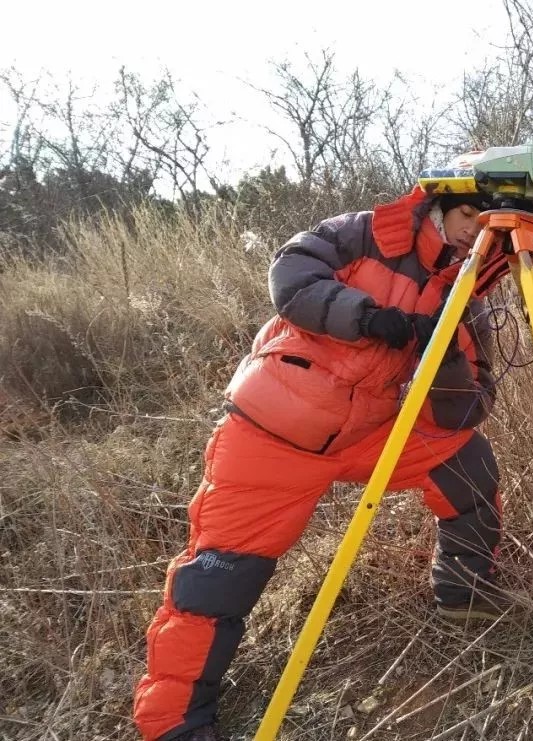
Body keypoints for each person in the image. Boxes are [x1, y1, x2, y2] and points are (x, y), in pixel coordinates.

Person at [134, 185, 507, 741]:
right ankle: (173, 723)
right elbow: (293, 276)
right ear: (440, 205)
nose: (470, 231)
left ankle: (465, 597)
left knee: (466, 464)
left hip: (368, 433)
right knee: (218, 581)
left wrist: (446, 354)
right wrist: (372, 318)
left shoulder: (465, 298)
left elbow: (467, 409)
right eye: (466, 215)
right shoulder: (365, 232)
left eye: (486, 227)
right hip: (274, 430)